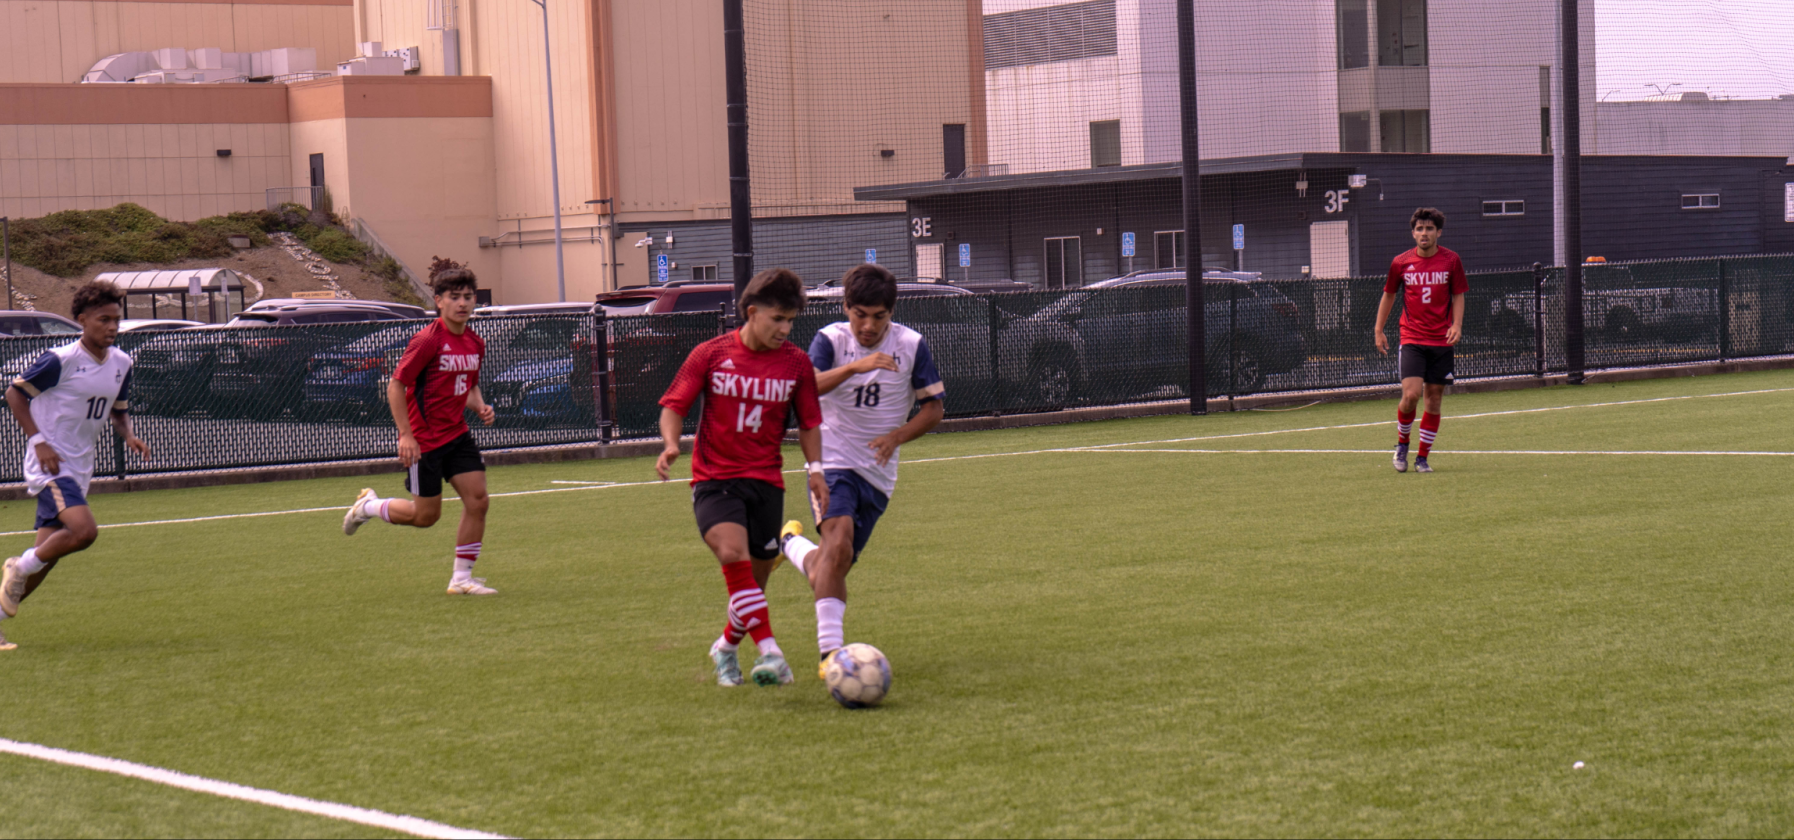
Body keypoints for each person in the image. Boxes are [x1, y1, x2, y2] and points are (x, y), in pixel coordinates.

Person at [656, 268, 827, 688]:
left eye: (791, 321)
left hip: (766, 481)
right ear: (752, 312)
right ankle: (771, 652)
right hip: (715, 479)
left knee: (755, 578)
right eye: (778, 319)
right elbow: (674, 405)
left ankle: (726, 647)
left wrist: (816, 470)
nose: (786, 329)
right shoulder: (711, 354)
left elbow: (809, 423)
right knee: (733, 556)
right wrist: (671, 444)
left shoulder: (797, 363)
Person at [777, 264, 944, 677]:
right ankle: (830, 658)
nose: (868, 325)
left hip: (878, 475)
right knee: (838, 545)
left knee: (830, 565)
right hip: (831, 459)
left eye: (879, 316)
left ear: (892, 312)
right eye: (859, 314)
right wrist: (855, 366)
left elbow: (934, 408)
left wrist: (896, 437)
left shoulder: (911, 344)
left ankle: (789, 544)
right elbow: (806, 387)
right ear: (846, 307)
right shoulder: (830, 340)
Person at [0, 281, 151, 648]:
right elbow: (14, 395)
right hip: (52, 466)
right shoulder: (60, 360)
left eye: (116, 319)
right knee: (84, 533)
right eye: (104, 319)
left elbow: (117, 408)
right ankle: (17, 565)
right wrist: (39, 443)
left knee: (47, 557)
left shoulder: (122, 362)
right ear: (82, 320)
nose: (113, 327)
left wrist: (127, 434)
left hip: (80, 468)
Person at [342, 268, 498, 594]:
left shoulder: (474, 342)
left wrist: (480, 405)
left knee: (478, 501)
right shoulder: (428, 340)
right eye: (454, 297)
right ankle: (368, 506)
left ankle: (461, 580)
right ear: (438, 301)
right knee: (425, 517)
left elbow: (466, 386)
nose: (462, 303)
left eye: (468, 297)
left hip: (457, 435)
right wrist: (406, 434)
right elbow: (396, 385)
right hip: (424, 440)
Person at [1374, 207, 1468, 474]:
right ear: (1413, 233)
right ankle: (1402, 444)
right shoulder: (1400, 262)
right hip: (1412, 337)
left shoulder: (1451, 261)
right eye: (1419, 229)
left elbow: (1459, 294)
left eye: (1429, 229)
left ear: (1438, 232)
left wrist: (1457, 325)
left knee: (1434, 399)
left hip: (1441, 340)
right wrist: (1378, 329)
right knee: (1411, 394)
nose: (1423, 233)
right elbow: (1389, 295)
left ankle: (1422, 457)